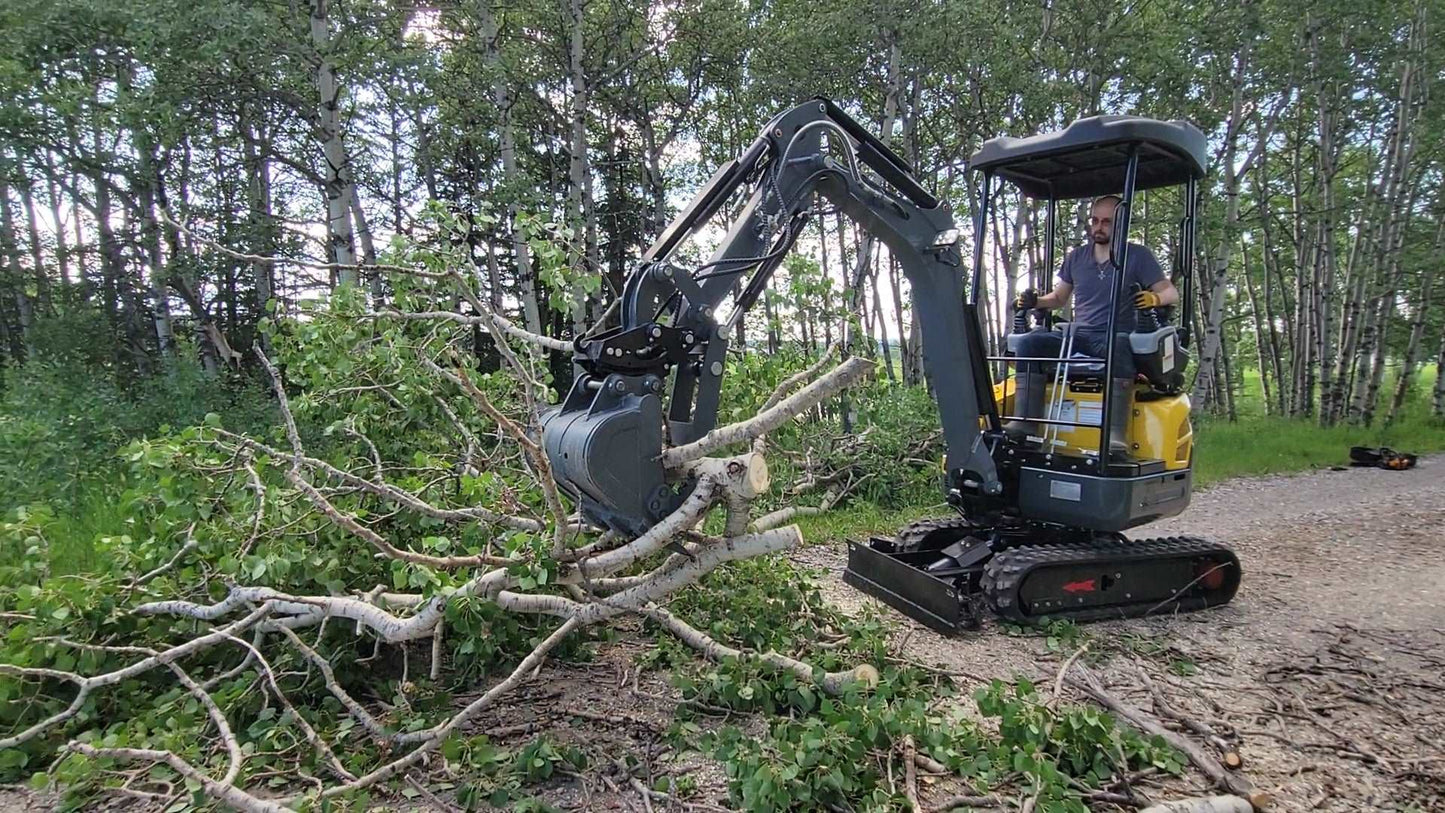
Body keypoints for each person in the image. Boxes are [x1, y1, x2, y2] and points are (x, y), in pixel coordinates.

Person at [1004, 195, 1179, 456]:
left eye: (1107, 222)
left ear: (1121, 224)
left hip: (1115, 336)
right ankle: (1025, 423)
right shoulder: (1076, 258)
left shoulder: (1138, 256)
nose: (1099, 227)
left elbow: (1171, 293)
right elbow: (1059, 298)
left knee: (1119, 345)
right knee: (1031, 342)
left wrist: (1154, 298)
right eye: (1096, 221)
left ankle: (1114, 434)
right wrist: (1035, 301)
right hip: (1079, 335)